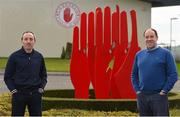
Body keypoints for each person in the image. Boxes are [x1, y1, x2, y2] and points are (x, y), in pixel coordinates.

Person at [131, 28, 178, 116]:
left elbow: (173, 75)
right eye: (147, 37)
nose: (149, 39)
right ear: (144, 39)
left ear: (157, 38)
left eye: (152, 36)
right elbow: (134, 75)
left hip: (159, 97)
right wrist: (137, 90)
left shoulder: (166, 53)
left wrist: (164, 91)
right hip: (142, 97)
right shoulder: (139, 55)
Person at [4, 31, 47, 116]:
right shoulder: (14, 57)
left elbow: (44, 75)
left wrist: (41, 88)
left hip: (35, 95)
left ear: (34, 41)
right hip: (19, 95)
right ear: (22, 41)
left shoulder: (39, 57)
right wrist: (13, 90)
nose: (28, 41)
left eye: (31, 39)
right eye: (26, 39)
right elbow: (7, 77)